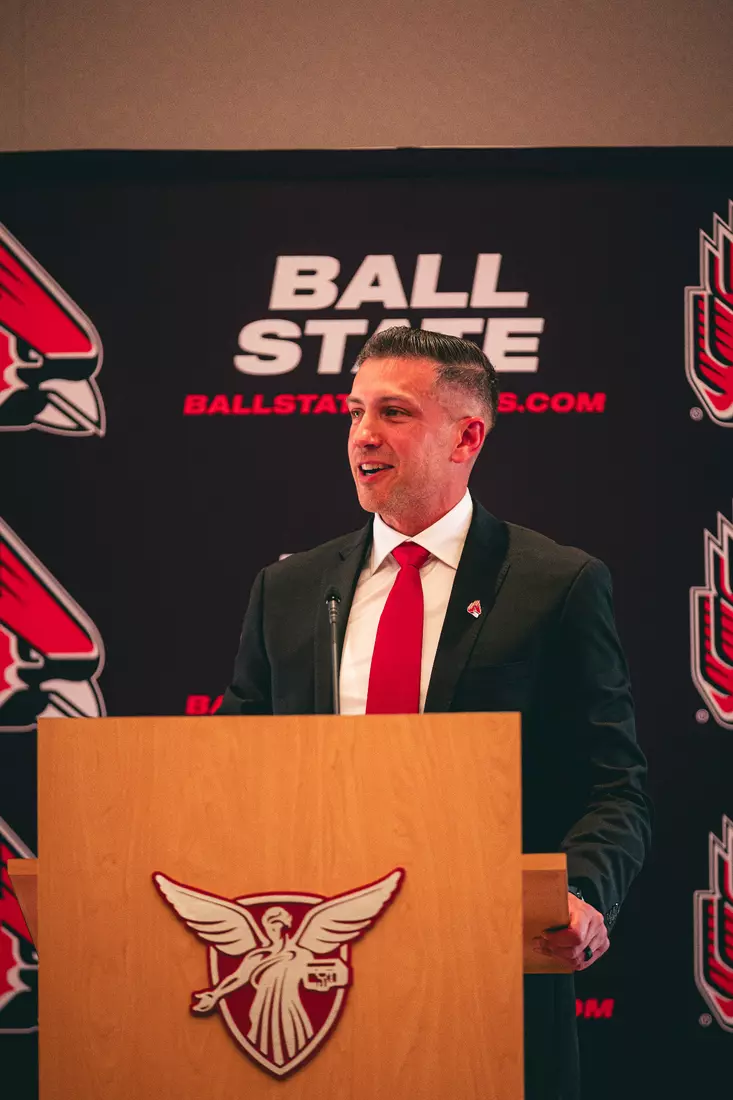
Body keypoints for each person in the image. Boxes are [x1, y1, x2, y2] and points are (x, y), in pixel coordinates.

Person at [218, 326, 651, 1100]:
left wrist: (579, 894)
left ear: (467, 435)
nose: (362, 436)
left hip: (486, 966)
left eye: (392, 412)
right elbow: (228, 771)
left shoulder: (557, 583)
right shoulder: (284, 591)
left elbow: (611, 783)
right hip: (317, 967)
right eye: (354, 413)